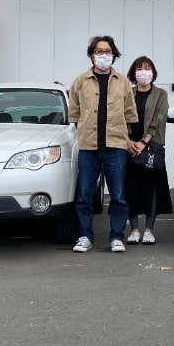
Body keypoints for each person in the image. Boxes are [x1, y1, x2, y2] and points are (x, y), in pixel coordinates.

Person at [68, 35, 138, 253]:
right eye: (99, 52)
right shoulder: (80, 81)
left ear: (114, 55)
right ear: (91, 55)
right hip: (88, 147)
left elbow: (129, 114)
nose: (104, 56)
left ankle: (116, 237)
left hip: (116, 147)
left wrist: (128, 140)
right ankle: (85, 237)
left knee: (118, 195)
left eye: (108, 52)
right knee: (84, 195)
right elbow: (74, 113)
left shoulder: (123, 82)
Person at [124, 56, 173, 245]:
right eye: (139, 69)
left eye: (147, 68)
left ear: (153, 72)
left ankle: (149, 229)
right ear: (134, 73)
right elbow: (121, 117)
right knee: (131, 187)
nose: (143, 72)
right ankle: (134, 229)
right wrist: (129, 142)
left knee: (152, 188)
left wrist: (143, 142)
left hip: (152, 145)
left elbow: (158, 119)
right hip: (130, 147)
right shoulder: (128, 92)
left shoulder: (161, 94)